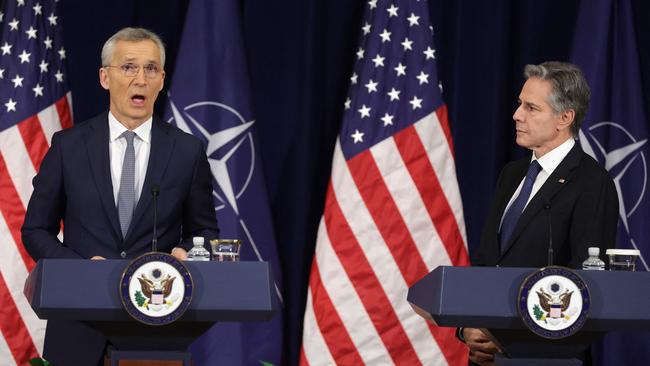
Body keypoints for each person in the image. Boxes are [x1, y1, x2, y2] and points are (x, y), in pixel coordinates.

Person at [21, 27, 219, 365]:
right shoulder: (68, 147)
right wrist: (82, 269)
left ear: (161, 79)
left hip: (156, 327)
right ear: (104, 77)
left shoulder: (187, 151)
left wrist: (186, 251)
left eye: (151, 68)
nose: (140, 79)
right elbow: (35, 230)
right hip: (77, 324)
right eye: (128, 67)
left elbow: (205, 231)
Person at [459, 61, 619, 365]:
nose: (517, 115)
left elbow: (585, 284)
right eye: (520, 104)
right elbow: (487, 262)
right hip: (487, 357)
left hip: (545, 356)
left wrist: (509, 339)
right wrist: (469, 327)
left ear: (564, 118)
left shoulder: (592, 183)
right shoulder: (512, 174)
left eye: (531, 108)